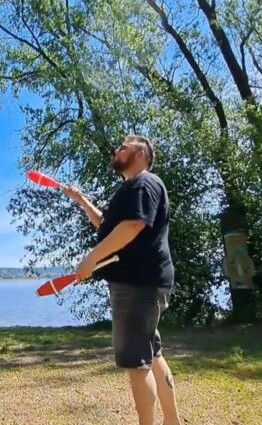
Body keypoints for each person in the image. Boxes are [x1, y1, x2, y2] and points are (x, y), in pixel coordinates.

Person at [64, 135, 183, 425]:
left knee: (137, 362)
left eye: (124, 147)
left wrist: (91, 259)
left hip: (138, 284)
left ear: (141, 154)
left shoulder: (145, 183)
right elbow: (107, 225)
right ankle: (173, 421)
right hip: (145, 282)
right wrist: (81, 200)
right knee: (152, 353)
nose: (117, 150)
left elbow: (132, 226)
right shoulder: (130, 188)